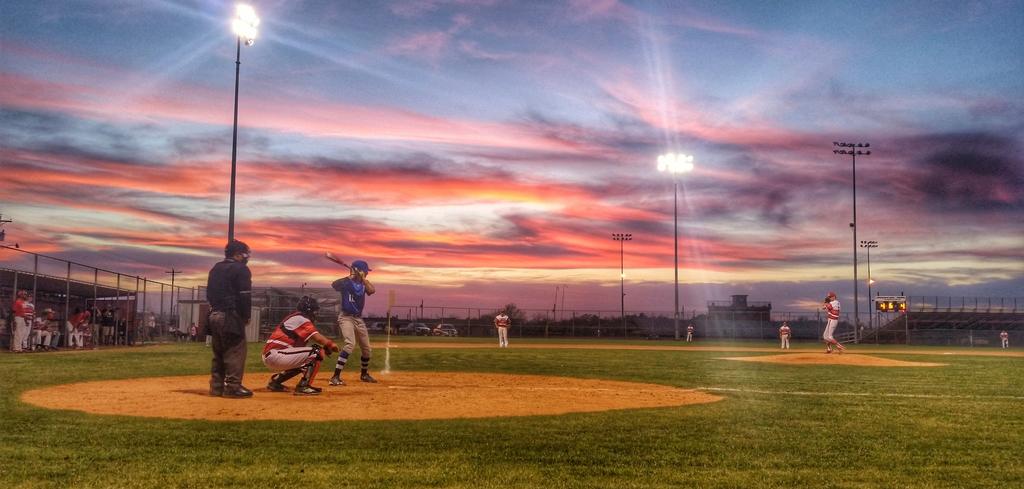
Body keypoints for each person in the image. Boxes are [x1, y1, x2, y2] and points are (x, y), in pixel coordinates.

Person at [205, 239, 254, 398]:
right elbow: (244, 296)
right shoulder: (241, 269)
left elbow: (209, 294)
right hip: (230, 315)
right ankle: (233, 387)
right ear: (238, 254)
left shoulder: (216, 268)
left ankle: (216, 387)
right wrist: (246, 315)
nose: (246, 257)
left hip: (213, 314)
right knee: (235, 350)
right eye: (245, 254)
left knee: (218, 353)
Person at [263, 296, 339, 395]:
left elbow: (303, 347)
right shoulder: (301, 318)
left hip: (275, 355)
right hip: (276, 355)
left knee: (308, 359)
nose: (316, 313)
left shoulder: (297, 318)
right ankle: (304, 386)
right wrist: (331, 344)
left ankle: (275, 383)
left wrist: (325, 347)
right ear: (309, 310)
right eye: (314, 310)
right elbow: (318, 338)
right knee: (316, 351)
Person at [328, 260, 377, 386]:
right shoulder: (346, 282)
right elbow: (334, 285)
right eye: (366, 271)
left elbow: (372, 291)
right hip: (346, 317)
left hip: (358, 319)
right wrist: (351, 275)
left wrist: (362, 279)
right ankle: (335, 377)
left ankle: (364, 374)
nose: (367, 273)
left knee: (367, 349)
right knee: (350, 344)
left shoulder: (364, 283)